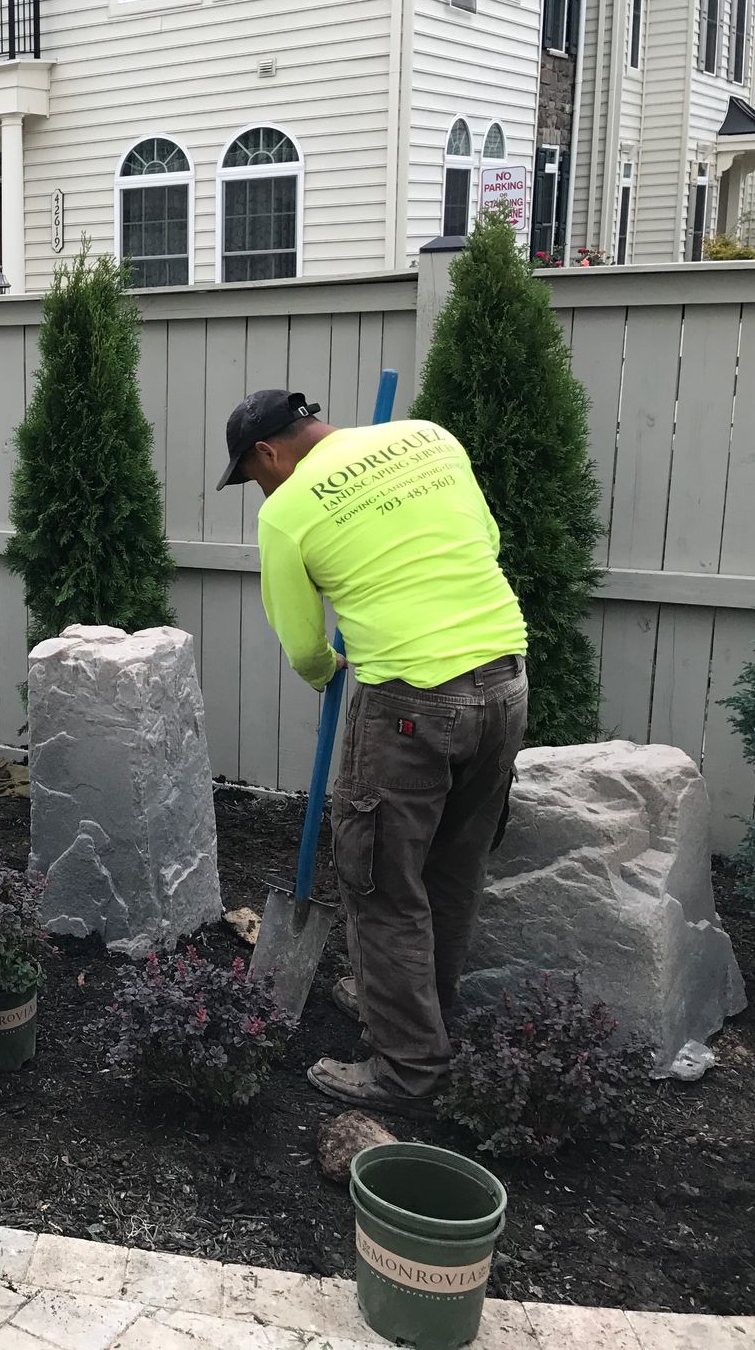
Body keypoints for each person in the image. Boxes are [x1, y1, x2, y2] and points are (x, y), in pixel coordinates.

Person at [216, 390, 529, 1115]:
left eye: (255, 475)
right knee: (452, 869)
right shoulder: (428, 437)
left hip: (412, 704)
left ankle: (407, 1073)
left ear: (271, 453)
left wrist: (330, 671)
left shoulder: (287, 512)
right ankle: (420, 1014)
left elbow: (303, 645)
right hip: (505, 679)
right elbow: (485, 542)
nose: (260, 489)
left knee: (381, 887)